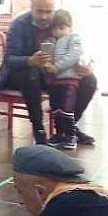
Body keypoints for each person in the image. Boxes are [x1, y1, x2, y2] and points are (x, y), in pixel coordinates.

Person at [0, 0, 96, 146]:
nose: (44, 17)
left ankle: (69, 127)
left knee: (89, 80)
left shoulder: (58, 21)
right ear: (31, 9)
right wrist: (30, 60)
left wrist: (88, 64)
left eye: (48, 12)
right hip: (19, 74)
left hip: (51, 72)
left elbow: (75, 47)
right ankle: (39, 130)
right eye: (39, 11)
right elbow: (9, 59)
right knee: (31, 74)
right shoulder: (19, 25)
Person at [41, 10, 85, 150]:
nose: (58, 31)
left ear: (69, 27)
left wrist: (57, 66)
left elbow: (75, 54)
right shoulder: (50, 41)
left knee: (66, 108)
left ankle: (71, 135)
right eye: (54, 28)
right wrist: (47, 64)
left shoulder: (73, 38)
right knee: (56, 109)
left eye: (62, 28)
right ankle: (59, 134)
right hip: (55, 81)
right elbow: (46, 56)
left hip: (69, 80)